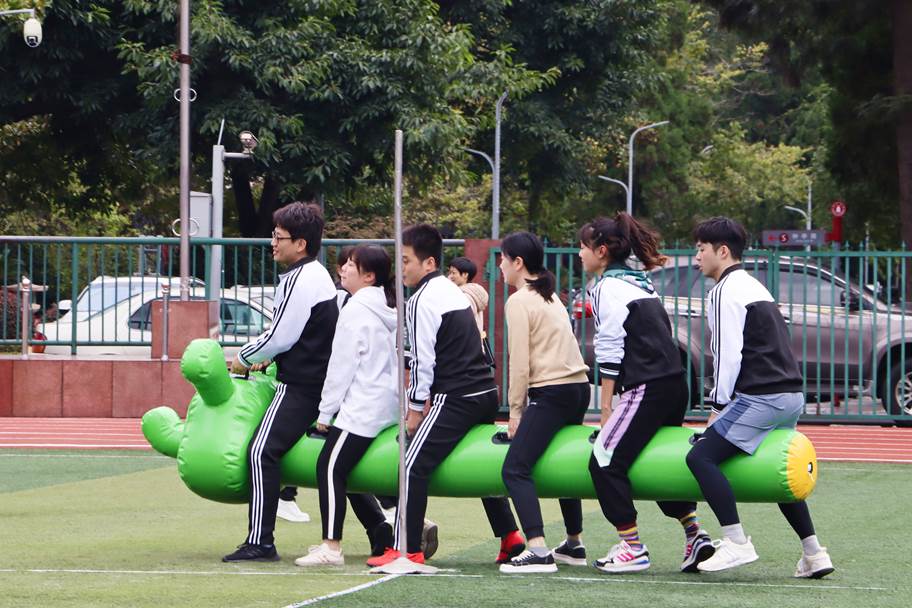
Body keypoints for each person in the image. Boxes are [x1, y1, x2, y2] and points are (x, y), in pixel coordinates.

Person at [685, 217, 835, 577]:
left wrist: (717, 409)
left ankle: (736, 542)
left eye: (701, 249)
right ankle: (814, 553)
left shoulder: (723, 291)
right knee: (780, 471)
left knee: (700, 457)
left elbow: (728, 355)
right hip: (790, 396)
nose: (697, 257)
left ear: (722, 251)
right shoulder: (754, 285)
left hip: (762, 398)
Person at [367, 224, 523, 567]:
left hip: (457, 397)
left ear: (429, 263)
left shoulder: (420, 300)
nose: (401, 267)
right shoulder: (449, 290)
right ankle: (510, 536)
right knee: (480, 467)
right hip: (485, 392)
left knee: (410, 465)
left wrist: (414, 412)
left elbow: (423, 362)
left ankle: (407, 549)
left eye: (406, 260)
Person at [579, 213, 714, 574]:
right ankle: (694, 533)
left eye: (583, 246)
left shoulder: (606, 287)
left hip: (648, 387)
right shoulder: (640, 282)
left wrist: (606, 407)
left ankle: (633, 547)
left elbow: (610, 348)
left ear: (602, 251)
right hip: (674, 385)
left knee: (604, 459)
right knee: (653, 460)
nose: (579, 253)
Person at [223, 202, 339, 563]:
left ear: (300, 244)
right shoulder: (313, 274)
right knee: (334, 459)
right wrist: (269, 356)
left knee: (261, 452)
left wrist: (243, 358)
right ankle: (380, 530)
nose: (272, 243)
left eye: (278, 237)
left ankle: (261, 541)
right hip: (319, 381)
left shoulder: (300, 278)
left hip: (302, 384)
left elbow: (280, 336)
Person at [295, 245, 400, 567]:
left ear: (369, 276)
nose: (343, 269)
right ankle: (380, 531)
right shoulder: (386, 306)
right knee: (346, 469)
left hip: (363, 406)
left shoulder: (356, 310)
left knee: (329, 467)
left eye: (351, 265)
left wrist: (325, 413)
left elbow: (341, 366)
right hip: (385, 403)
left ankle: (332, 546)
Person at [497, 232, 591, 574]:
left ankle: (537, 550)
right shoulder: (550, 296)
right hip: (578, 388)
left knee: (514, 469)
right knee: (563, 461)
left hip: (552, 391)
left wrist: (515, 411)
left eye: (503, 259)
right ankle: (573, 542)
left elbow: (519, 363)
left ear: (518, 262)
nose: (500, 266)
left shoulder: (520, 300)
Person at [447, 256, 488, 337]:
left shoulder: (464, 297)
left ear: (465, 275)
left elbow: (459, 324)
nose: (450, 276)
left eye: (453, 273)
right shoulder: (472, 293)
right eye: (450, 273)